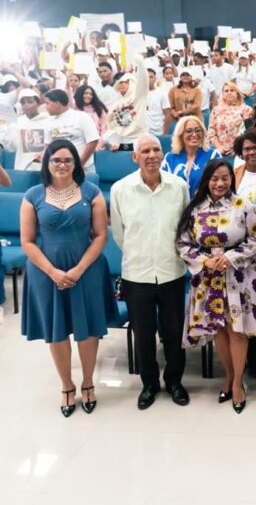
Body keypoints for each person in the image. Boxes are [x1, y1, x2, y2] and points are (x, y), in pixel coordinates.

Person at [20, 139, 116, 416]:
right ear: (46, 163)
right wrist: (53, 272)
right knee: (57, 331)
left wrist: (77, 270)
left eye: (68, 160)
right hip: (46, 272)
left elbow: (100, 236)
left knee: (88, 330)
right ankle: (66, 386)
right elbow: (27, 242)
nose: (62, 165)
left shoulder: (92, 192)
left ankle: (88, 383)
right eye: (56, 160)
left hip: (87, 270)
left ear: (77, 163)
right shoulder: (33, 195)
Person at [176, 159, 256, 413]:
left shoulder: (243, 204)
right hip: (208, 278)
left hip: (239, 277)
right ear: (206, 181)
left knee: (237, 329)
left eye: (225, 178)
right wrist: (206, 260)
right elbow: (183, 244)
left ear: (231, 180)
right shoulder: (195, 209)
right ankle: (230, 375)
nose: (220, 183)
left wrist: (231, 257)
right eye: (215, 179)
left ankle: (237, 383)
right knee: (219, 330)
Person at [110, 135, 191, 410]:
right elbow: (120, 234)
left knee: (173, 332)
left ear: (163, 154)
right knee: (143, 334)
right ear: (135, 157)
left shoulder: (178, 187)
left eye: (157, 149)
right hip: (137, 273)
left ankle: (175, 381)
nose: (152, 155)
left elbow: (185, 228)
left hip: (172, 271)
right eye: (145, 151)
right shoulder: (121, 189)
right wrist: (139, 252)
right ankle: (149, 384)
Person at [161, 115, 222, 197]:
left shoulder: (213, 155)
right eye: (189, 131)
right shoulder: (170, 158)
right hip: (175, 204)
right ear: (181, 134)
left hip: (204, 205)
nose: (194, 134)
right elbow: (162, 186)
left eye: (198, 130)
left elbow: (219, 183)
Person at [43, 89, 100, 173]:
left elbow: (93, 141)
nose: (45, 106)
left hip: (83, 168)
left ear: (57, 104)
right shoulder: (49, 121)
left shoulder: (81, 117)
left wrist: (79, 164)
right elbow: (48, 145)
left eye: (47, 103)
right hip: (59, 170)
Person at [103, 59, 149, 150]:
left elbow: (143, 81)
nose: (122, 84)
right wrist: (113, 140)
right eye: (120, 82)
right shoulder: (117, 103)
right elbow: (110, 123)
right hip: (121, 144)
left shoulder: (139, 97)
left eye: (126, 82)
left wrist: (140, 64)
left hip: (138, 141)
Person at [1, 89, 48, 170]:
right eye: (23, 103)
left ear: (38, 103)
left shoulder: (48, 119)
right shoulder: (17, 122)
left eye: (30, 102)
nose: (26, 105)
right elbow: (11, 147)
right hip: (23, 167)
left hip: (44, 166)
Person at [208, 82, 252, 156]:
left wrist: (237, 148)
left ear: (237, 93)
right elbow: (211, 131)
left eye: (232, 90)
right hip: (220, 151)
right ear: (223, 94)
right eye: (226, 91)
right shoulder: (216, 110)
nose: (229, 93)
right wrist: (218, 146)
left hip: (240, 151)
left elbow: (249, 132)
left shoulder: (246, 109)